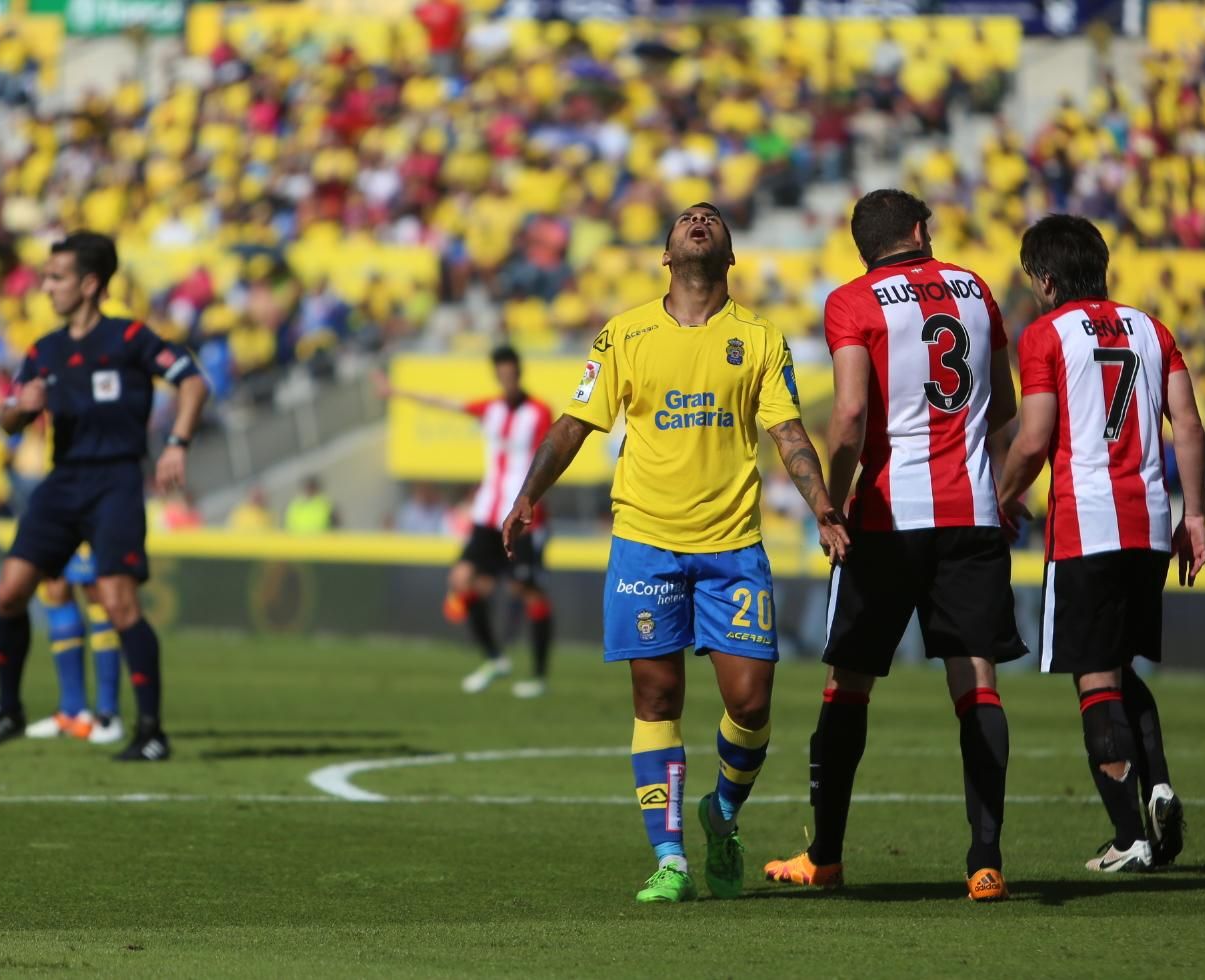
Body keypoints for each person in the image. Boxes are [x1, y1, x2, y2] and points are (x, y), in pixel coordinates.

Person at [501, 203, 850, 903]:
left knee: (749, 704)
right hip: (645, 541)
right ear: (665, 254)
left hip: (731, 545)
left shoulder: (757, 338)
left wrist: (820, 504)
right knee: (655, 695)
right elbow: (574, 424)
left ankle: (720, 814)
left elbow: (786, 436)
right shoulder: (623, 334)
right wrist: (527, 493)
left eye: (712, 220)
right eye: (686, 219)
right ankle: (670, 859)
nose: (699, 221)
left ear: (728, 256)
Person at [761, 189, 1025, 902]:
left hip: (884, 517)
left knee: (847, 683)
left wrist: (836, 499)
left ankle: (825, 855)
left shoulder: (853, 299)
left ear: (864, 245)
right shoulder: (975, 286)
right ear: (917, 230)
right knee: (975, 682)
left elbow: (847, 415)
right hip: (971, 513)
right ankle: (984, 861)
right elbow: (1001, 405)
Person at [998, 214, 1205, 873]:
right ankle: (1160, 789)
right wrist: (1194, 516)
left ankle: (1129, 837)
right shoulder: (1152, 329)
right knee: (1119, 668)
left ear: (1047, 279)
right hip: (1147, 520)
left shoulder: (1044, 334)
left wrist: (1000, 497)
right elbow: (1190, 426)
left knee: (1093, 678)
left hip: (1085, 523)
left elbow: (1033, 438)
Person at [0, 231, 208, 761]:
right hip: (63, 480)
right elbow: (8, 421)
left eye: (57, 277)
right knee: (9, 593)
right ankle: (8, 711)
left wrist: (177, 444)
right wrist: (21, 408)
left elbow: (192, 382)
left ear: (90, 284)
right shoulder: (44, 349)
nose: (45, 287)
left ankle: (150, 731)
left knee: (119, 603)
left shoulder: (131, 338)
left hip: (115, 480)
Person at [389, 346, 555, 698]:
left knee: (526, 592)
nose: (506, 379)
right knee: (462, 580)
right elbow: (443, 402)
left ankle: (539, 676)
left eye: (511, 373)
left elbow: (554, 453)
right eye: (501, 374)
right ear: (497, 375)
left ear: (519, 373)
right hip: (487, 515)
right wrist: (397, 393)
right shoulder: (490, 409)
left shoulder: (539, 412)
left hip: (524, 518)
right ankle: (495, 657)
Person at [20, 547, 124, 745]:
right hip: (55, 517)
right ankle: (73, 712)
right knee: (54, 588)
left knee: (96, 589)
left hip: (90, 519)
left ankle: (108, 715)